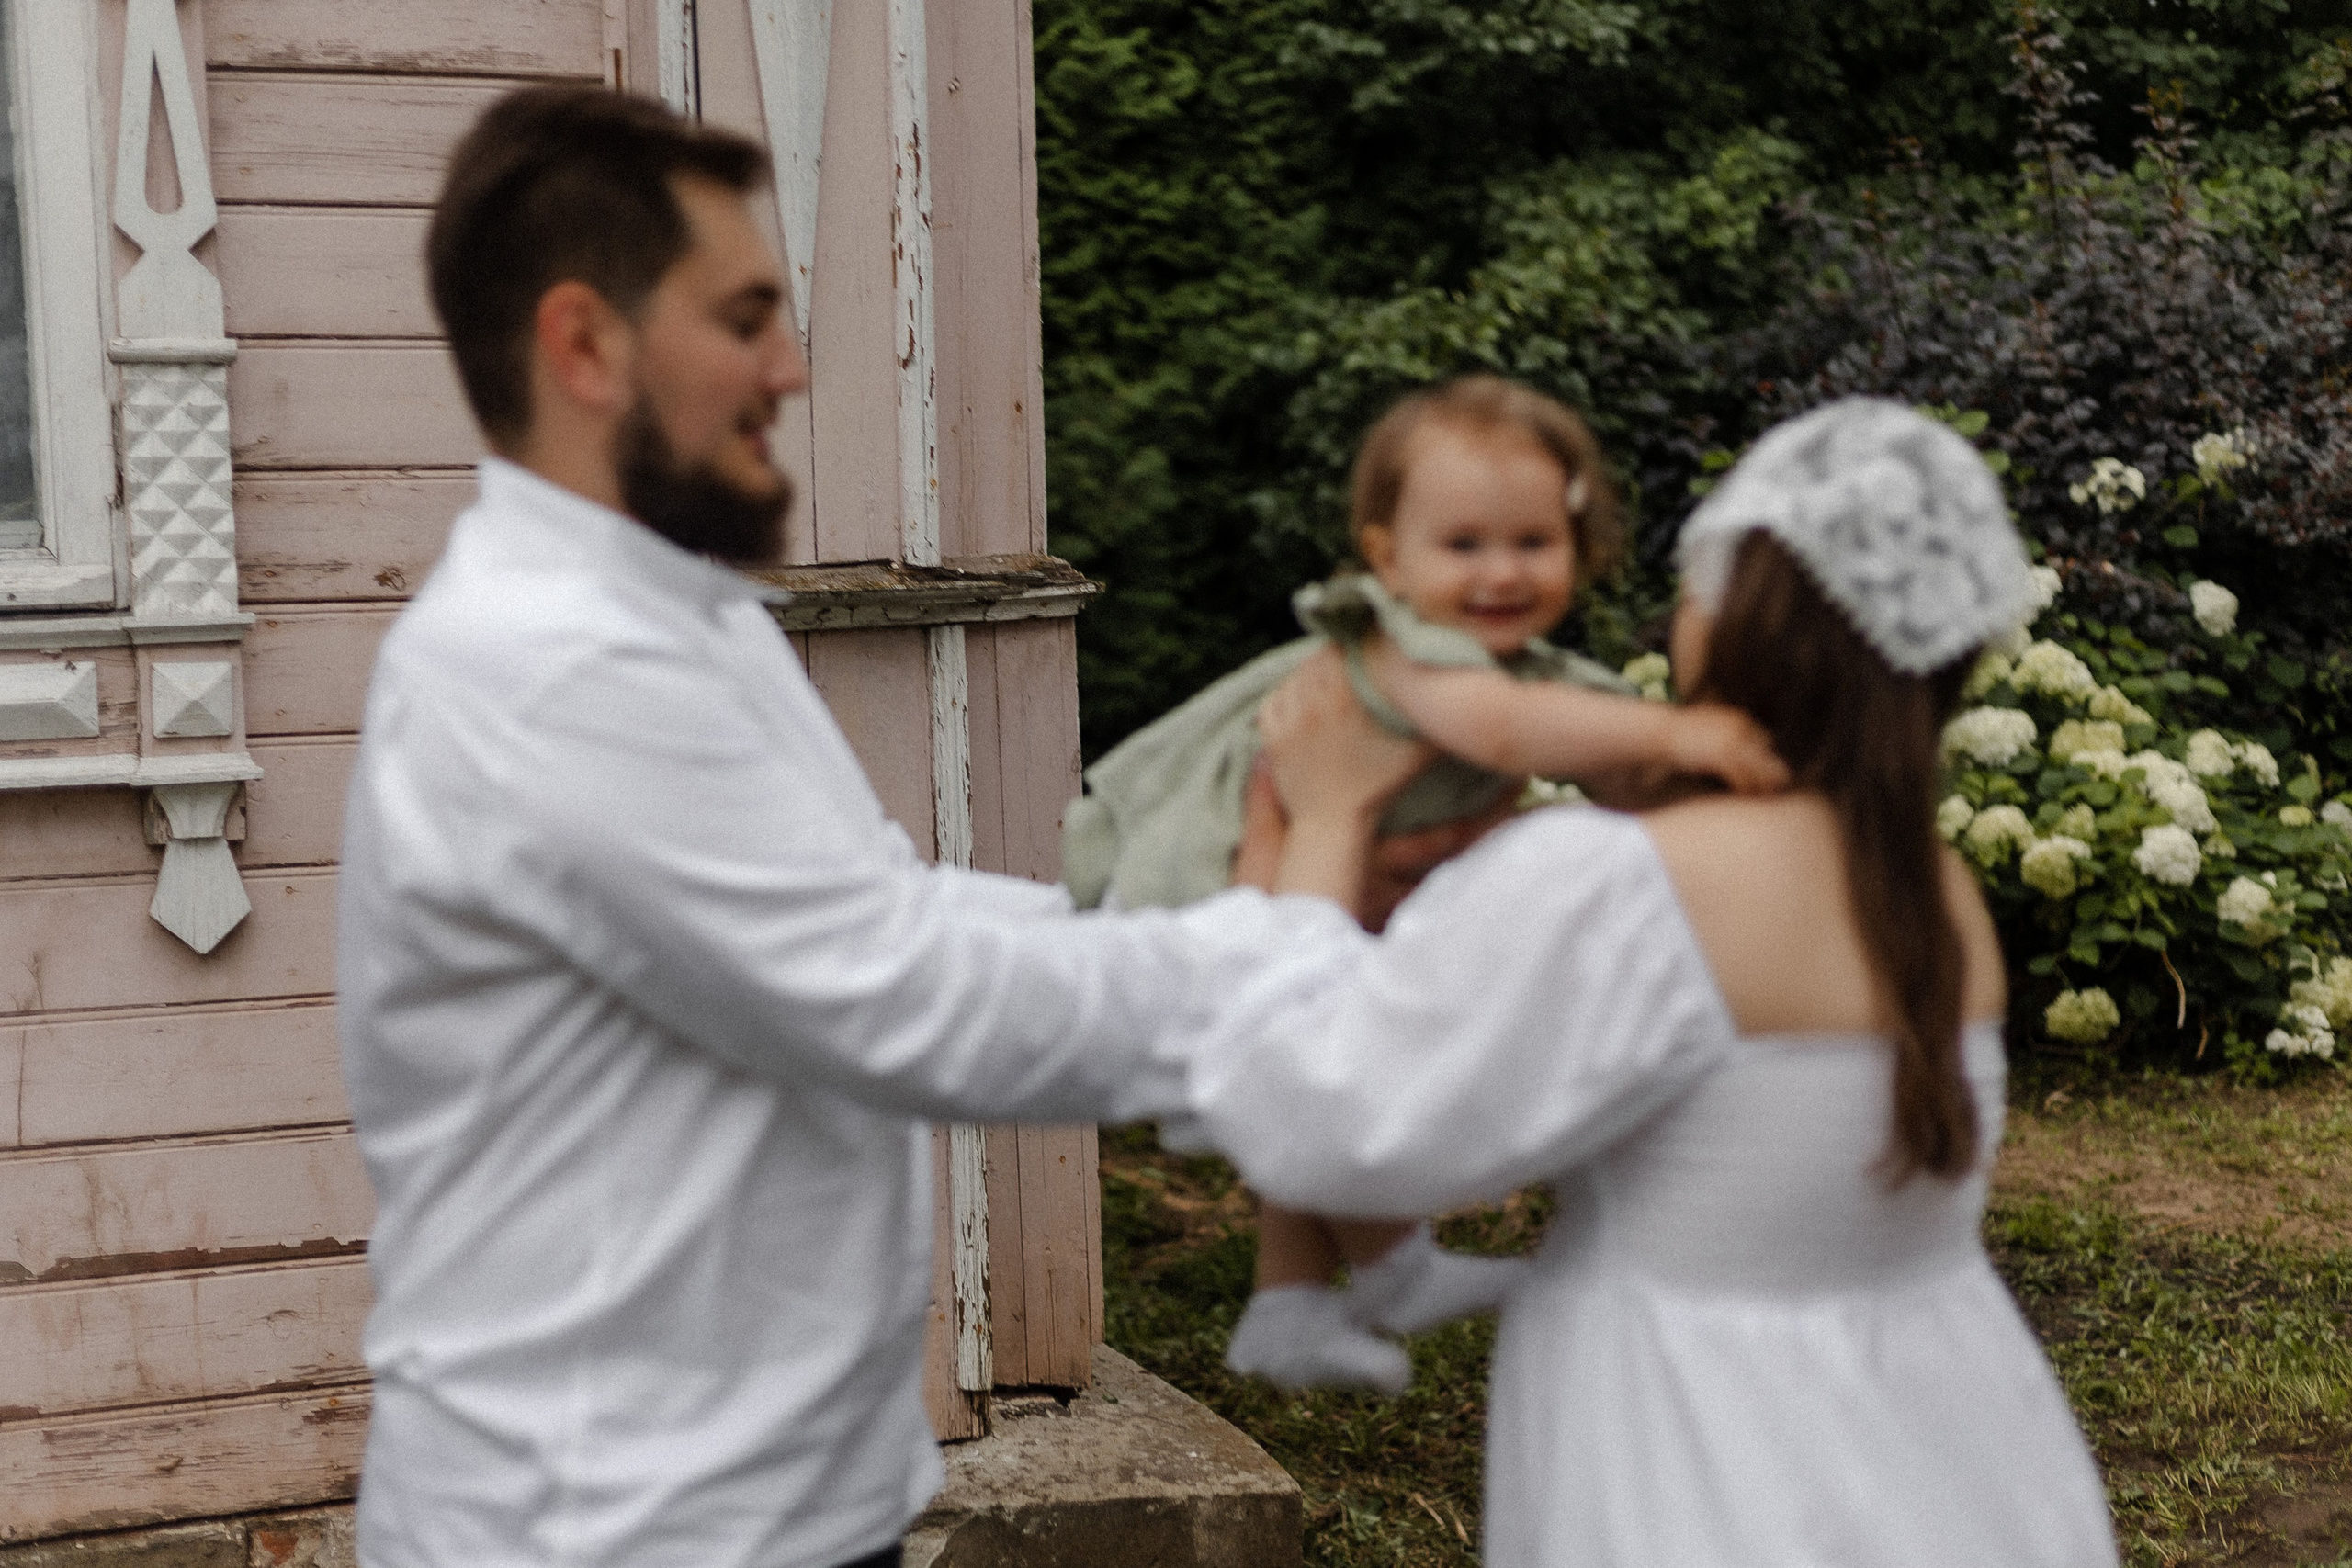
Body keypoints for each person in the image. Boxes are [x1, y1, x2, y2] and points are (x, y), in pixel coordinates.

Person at [334, 86, 1372, 1568]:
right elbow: (910, 1000)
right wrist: (1294, 926)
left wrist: (1202, 900)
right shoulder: (557, 666)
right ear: (585, 343)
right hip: (616, 1526)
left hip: (755, 1502)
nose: (794, 366)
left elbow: (889, 913)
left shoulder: (676, 611)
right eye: (746, 315)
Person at [1183, 399, 2120, 1565]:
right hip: (1953, 1449)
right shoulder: (1934, 888)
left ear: (1732, 622)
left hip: (1694, 1456)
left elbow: (1333, 1121)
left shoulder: (1625, 882)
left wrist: (1322, 823)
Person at [1062, 378, 1788, 1393]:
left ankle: (1287, 1305)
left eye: (1532, 542)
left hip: (1340, 883)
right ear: (1384, 558)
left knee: (1331, 1062)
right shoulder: (1403, 648)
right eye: (1464, 546)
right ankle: (1393, 1264)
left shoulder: (1511, 666)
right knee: (1318, 1060)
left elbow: (1591, 751)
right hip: (1252, 871)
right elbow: (1501, 732)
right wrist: (1681, 729)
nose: (1501, 572)